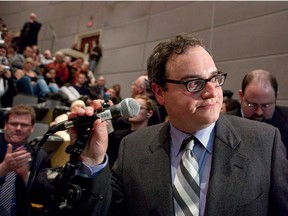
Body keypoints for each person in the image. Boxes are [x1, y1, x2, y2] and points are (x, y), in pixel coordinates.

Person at [59, 33, 288, 216]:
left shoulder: (263, 142)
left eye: (215, 78)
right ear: (159, 92)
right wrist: (92, 162)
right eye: (194, 83)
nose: (212, 92)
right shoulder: (133, 149)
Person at [0, 105, 52, 216]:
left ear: (32, 128)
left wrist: (26, 176)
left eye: (24, 125)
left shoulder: (39, 156)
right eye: (13, 124)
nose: (18, 128)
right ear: (5, 125)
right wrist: (3, 169)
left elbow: (43, 195)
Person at [226, 69, 288, 152]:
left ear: (276, 96)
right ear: (241, 95)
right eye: (251, 105)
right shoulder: (225, 124)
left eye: (266, 106)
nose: (259, 112)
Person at [107, 94, 153, 168]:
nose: (132, 111)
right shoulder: (119, 134)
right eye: (131, 107)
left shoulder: (152, 137)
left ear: (149, 113)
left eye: (138, 108)